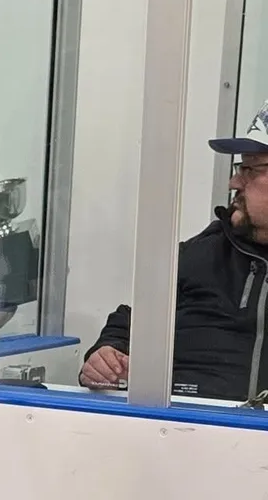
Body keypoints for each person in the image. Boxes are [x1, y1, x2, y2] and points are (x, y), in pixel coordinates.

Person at [80, 99, 268, 402]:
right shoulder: (201, 253)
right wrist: (107, 354)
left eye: (249, 169)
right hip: (173, 426)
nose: (234, 182)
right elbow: (133, 320)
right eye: (239, 167)